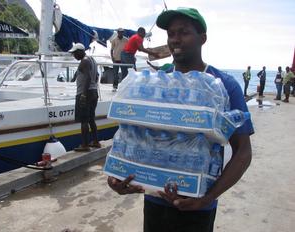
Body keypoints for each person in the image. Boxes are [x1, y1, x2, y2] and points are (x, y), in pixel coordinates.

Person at [107, 7, 254, 232]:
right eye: (171, 33)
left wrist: (208, 198)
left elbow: (243, 152)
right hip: (154, 197)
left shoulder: (223, 85)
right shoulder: (155, 82)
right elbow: (131, 134)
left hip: (197, 206)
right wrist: (117, 174)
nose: (175, 39)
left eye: (184, 32)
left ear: (202, 39)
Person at [68, 43, 101, 151]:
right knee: (91, 119)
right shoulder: (92, 60)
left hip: (85, 93)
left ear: (80, 52)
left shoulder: (84, 61)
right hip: (94, 92)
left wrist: (83, 94)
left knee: (84, 120)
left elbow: (87, 78)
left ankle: (85, 145)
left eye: (75, 53)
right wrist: (93, 87)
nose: (74, 56)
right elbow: (96, 76)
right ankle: (96, 142)